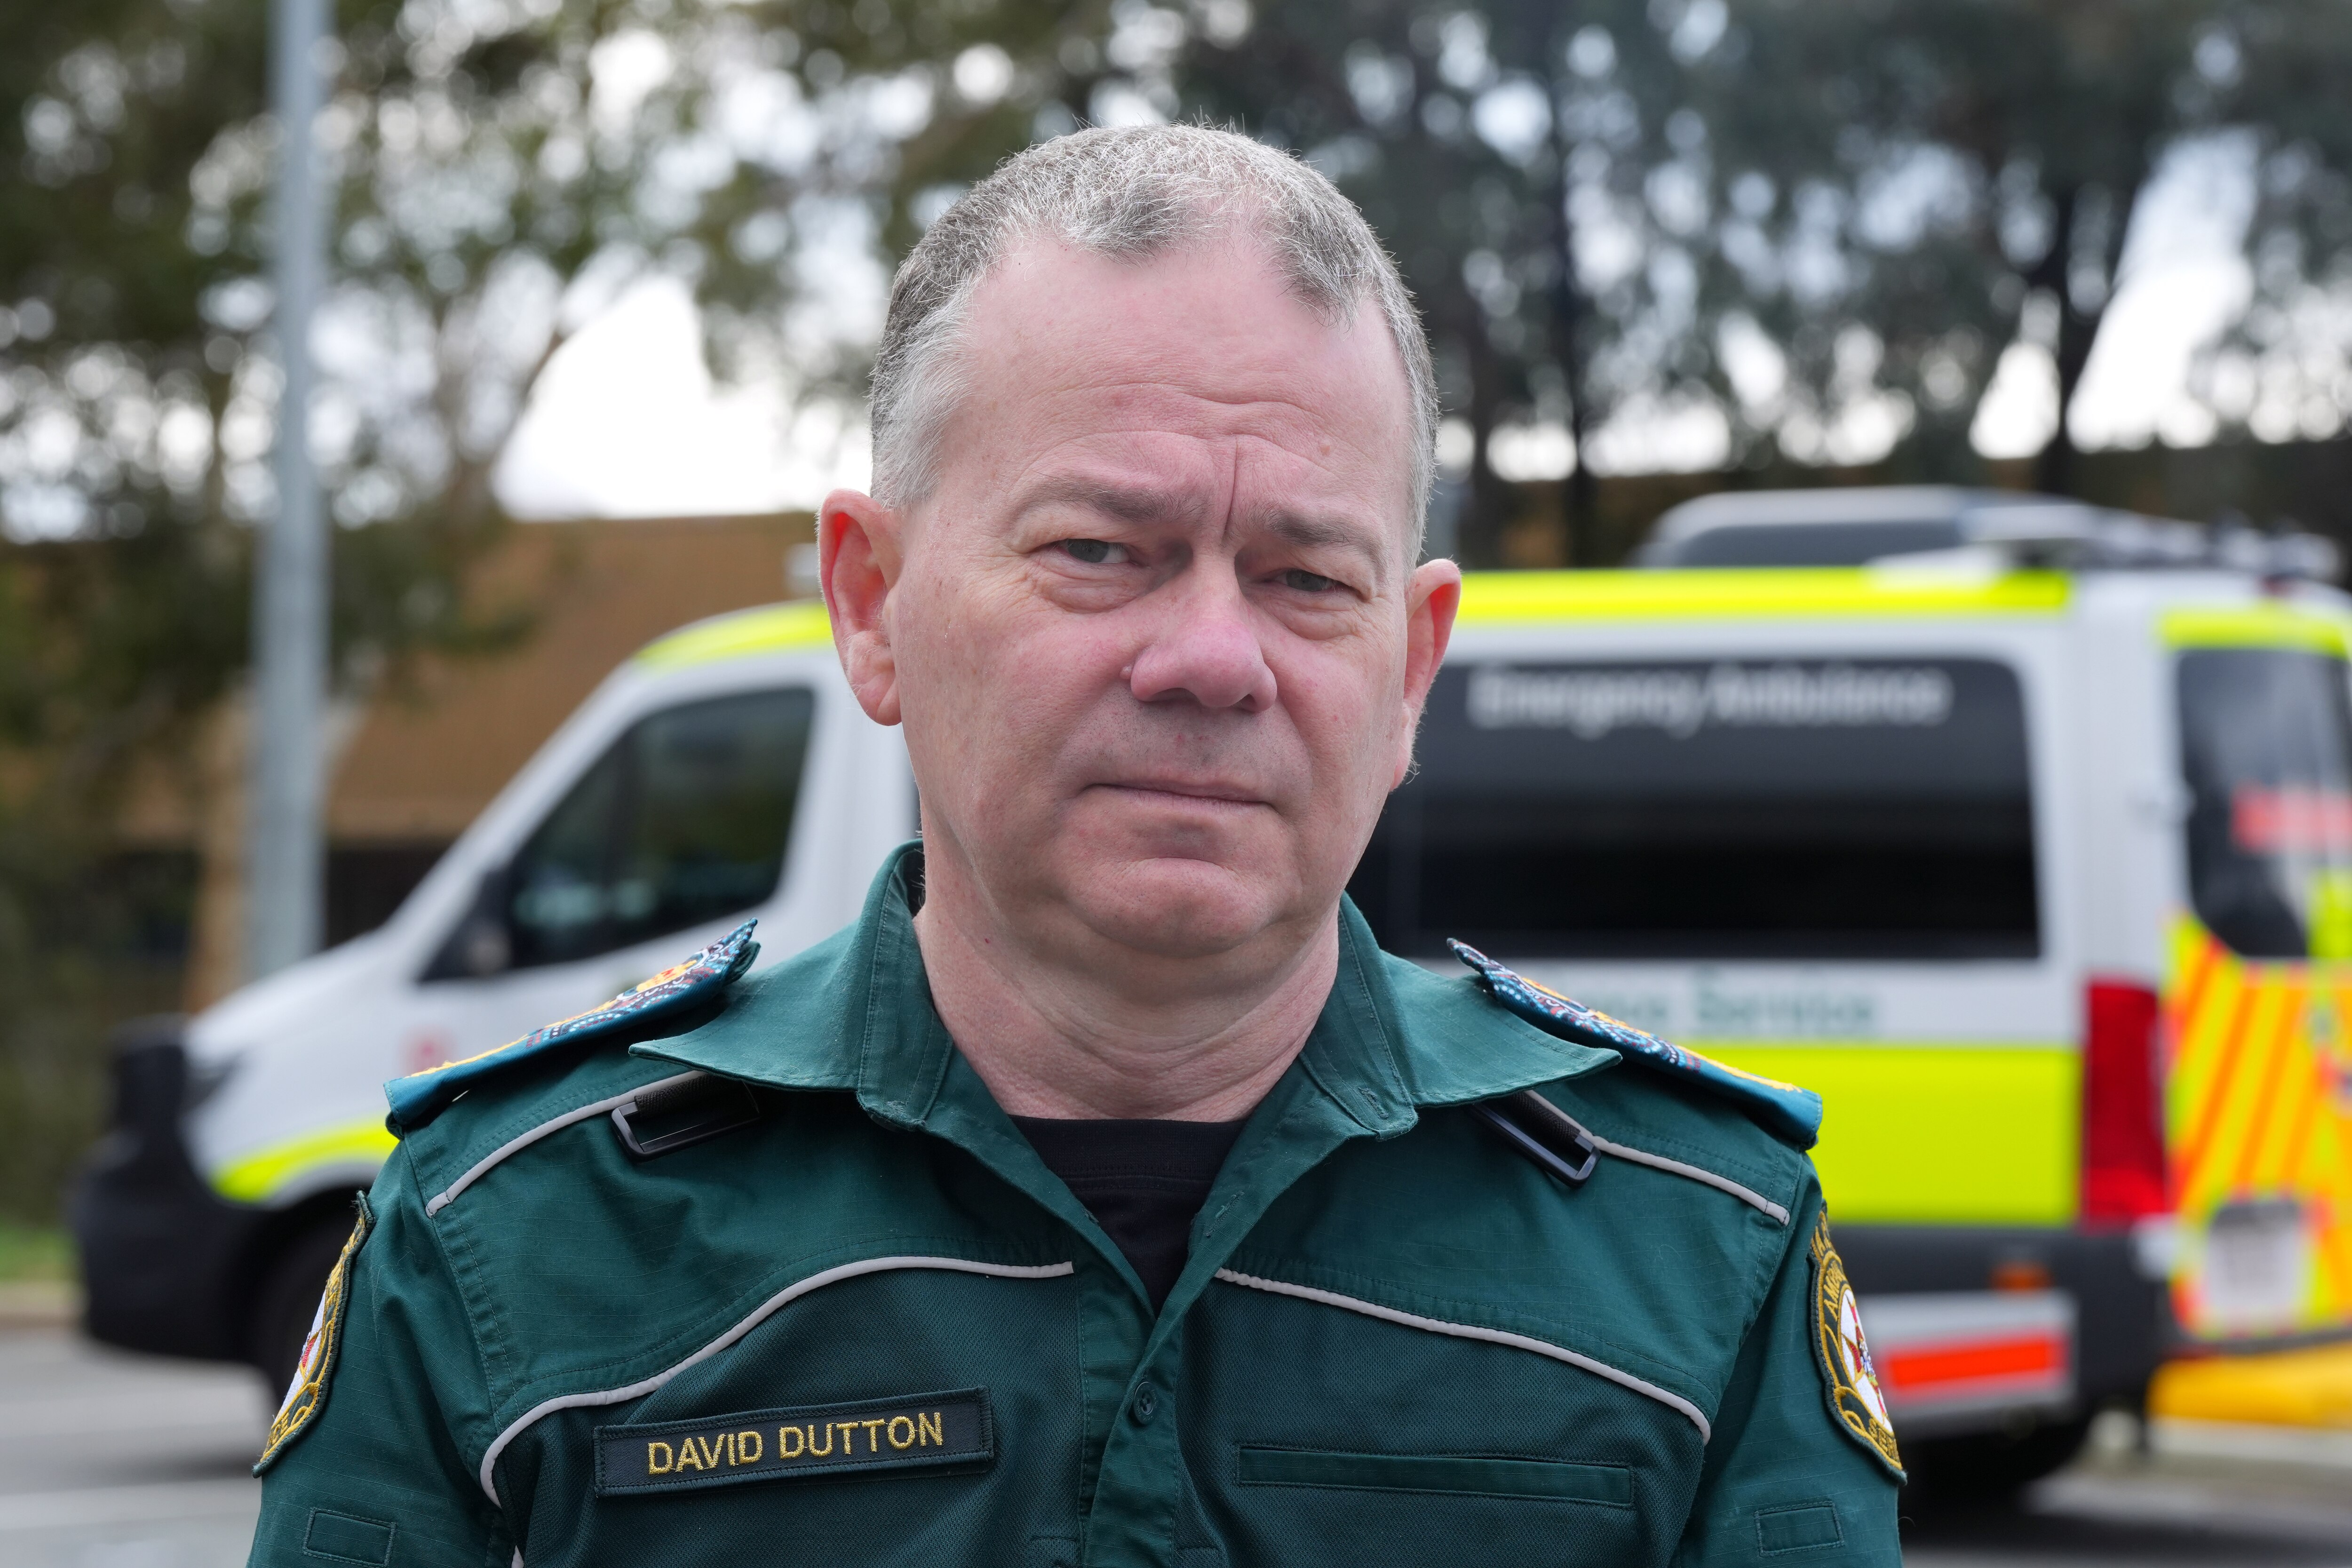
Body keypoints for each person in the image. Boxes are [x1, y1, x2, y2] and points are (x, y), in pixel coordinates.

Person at [246, 124, 1902, 1568]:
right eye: (1103, 548)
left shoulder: (1704, 1251)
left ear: (1409, 668)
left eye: (1306, 577)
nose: (1209, 658)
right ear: (872, 605)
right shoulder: (509, 1236)